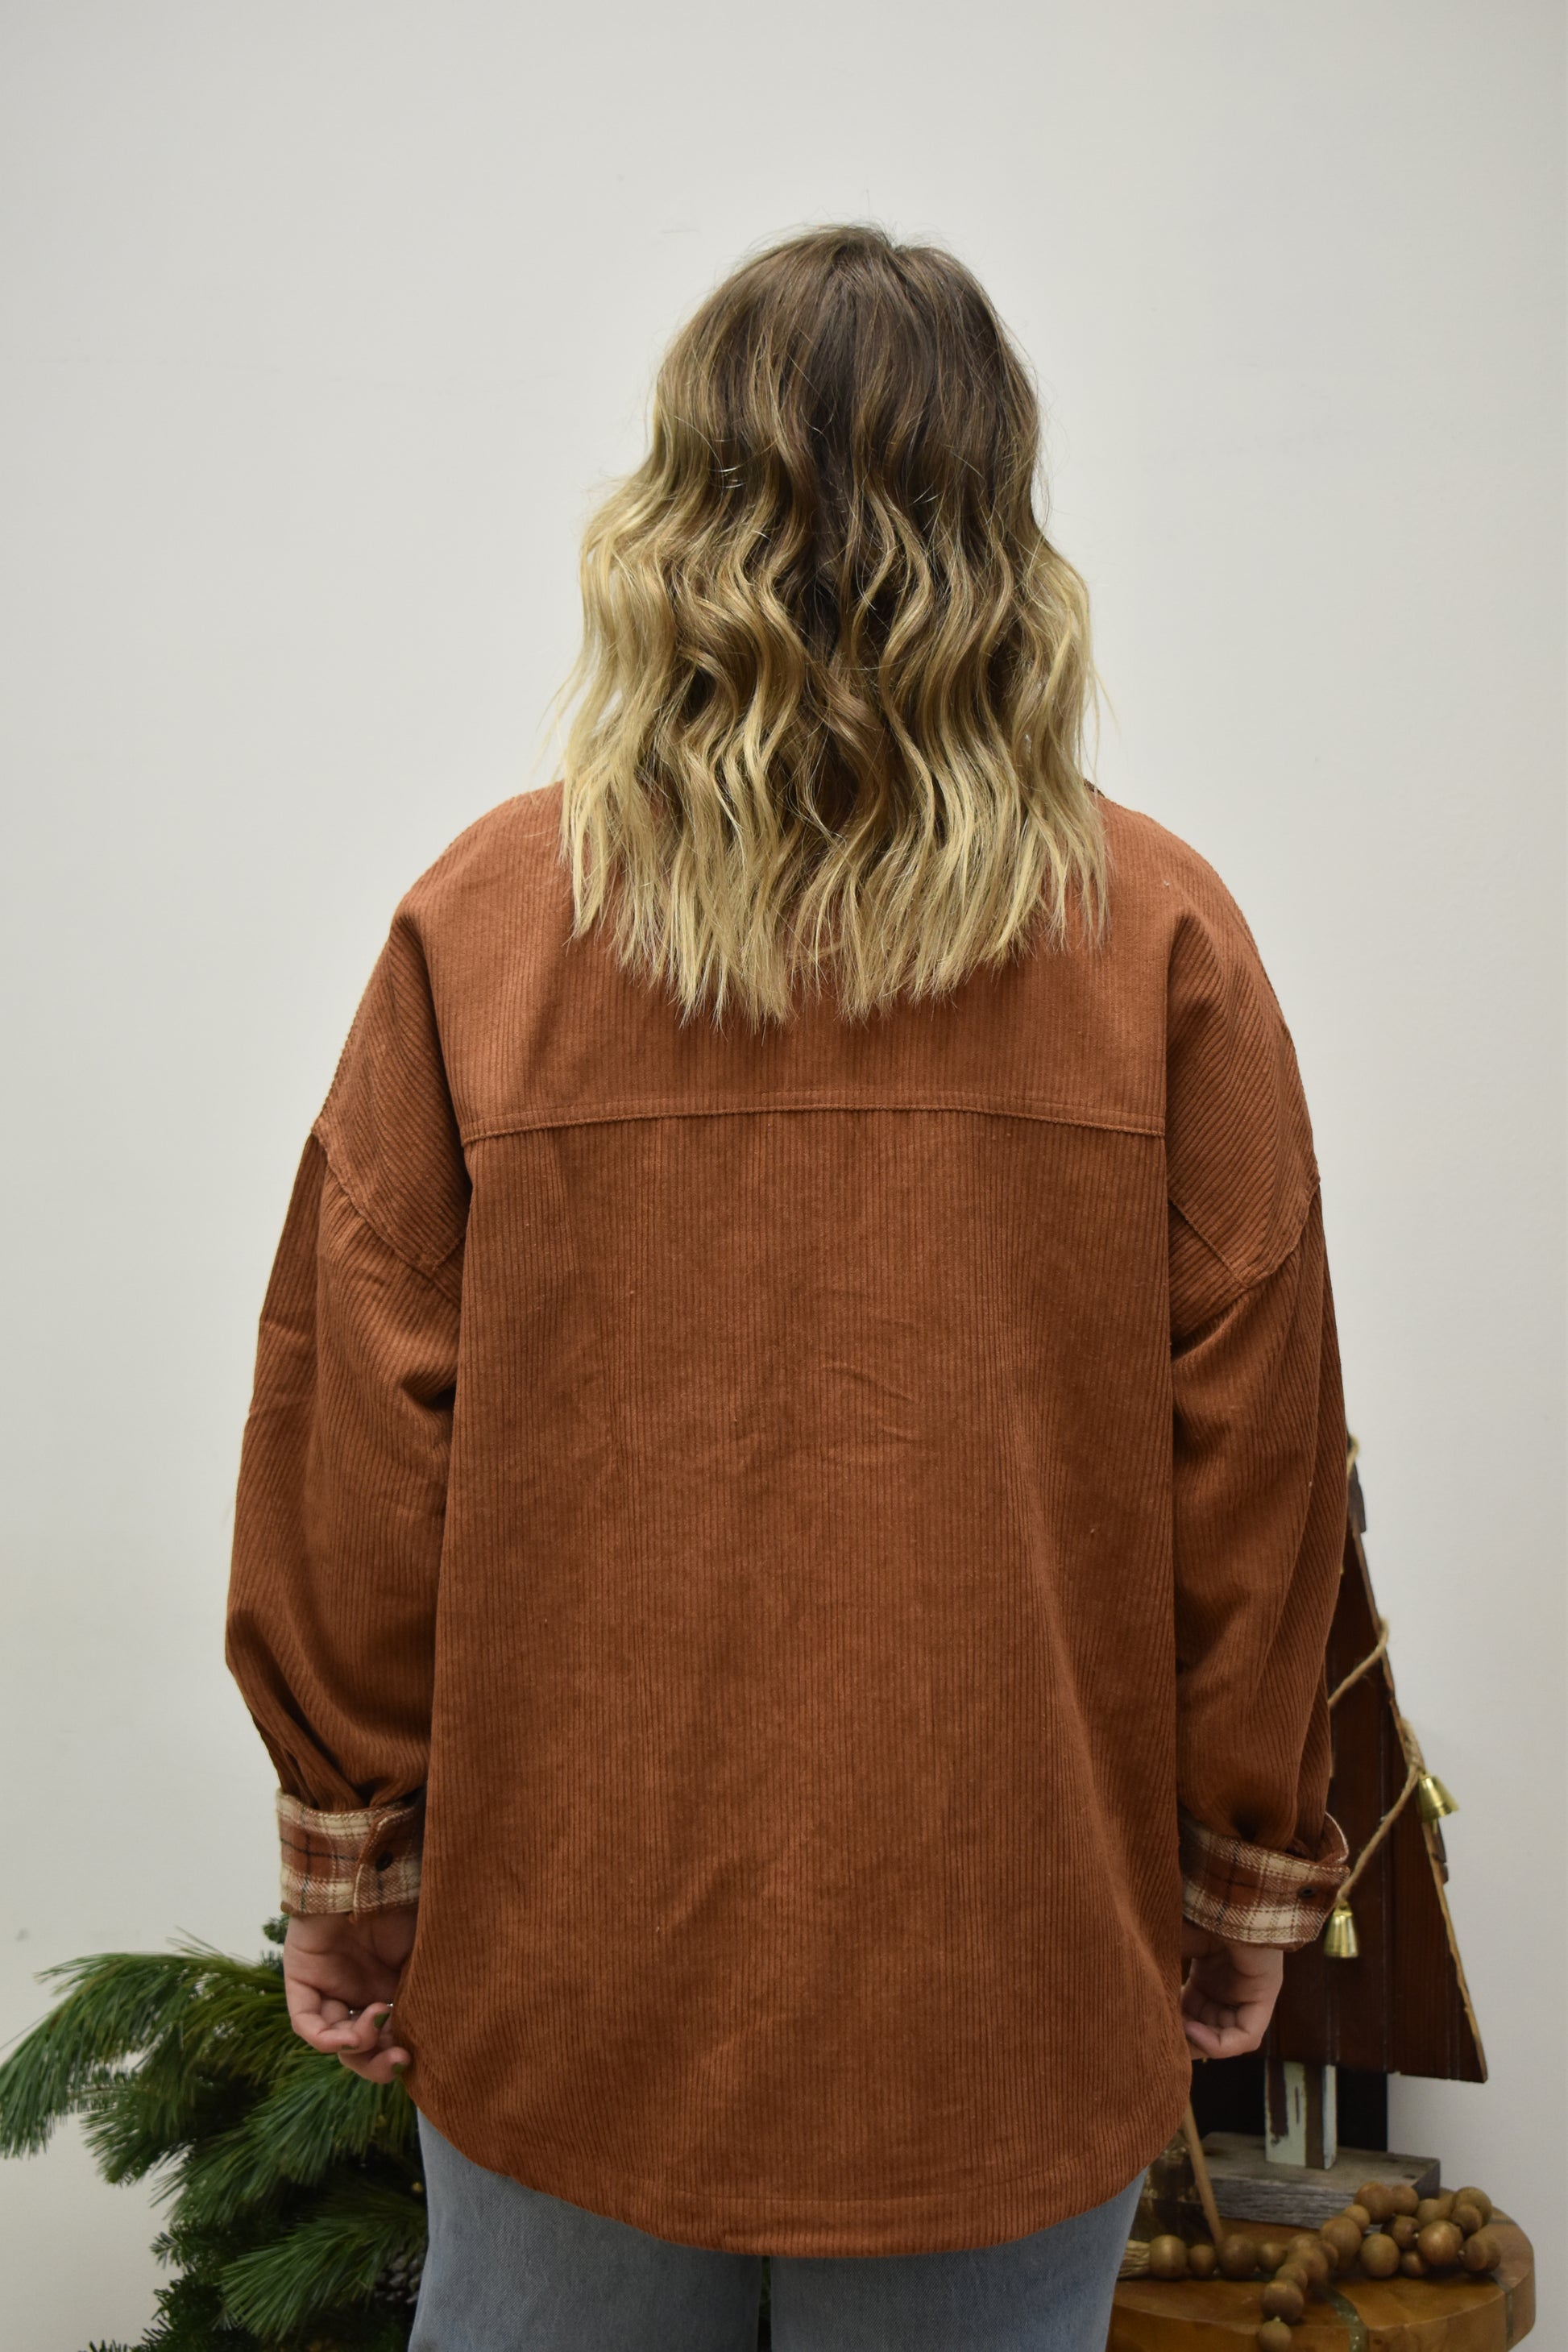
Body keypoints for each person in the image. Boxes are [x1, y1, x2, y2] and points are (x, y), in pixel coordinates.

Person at [225, 223, 1351, 2351]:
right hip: (1001, 1986)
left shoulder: (489, 923)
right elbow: (1260, 1471)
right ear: (998, 530)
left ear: (677, 515)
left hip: (572, 1974)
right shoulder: (1161, 941)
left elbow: (352, 1430)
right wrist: (1239, 1875)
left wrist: (354, 1866)